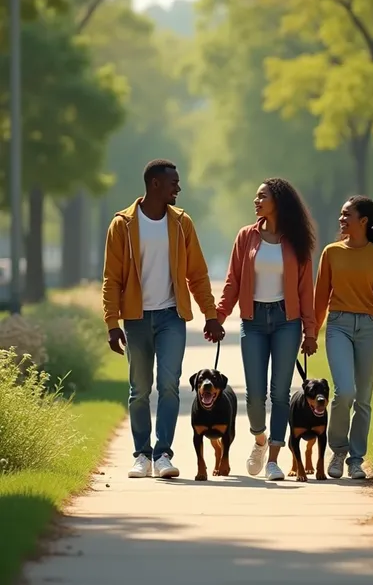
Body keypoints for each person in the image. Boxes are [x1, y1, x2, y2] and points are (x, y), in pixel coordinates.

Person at [102, 159, 224, 479]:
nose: (178, 188)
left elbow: (197, 274)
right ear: (156, 184)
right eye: (174, 183)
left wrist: (210, 315)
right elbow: (112, 279)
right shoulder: (123, 224)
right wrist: (112, 323)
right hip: (136, 318)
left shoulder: (182, 223)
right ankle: (142, 454)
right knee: (139, 389)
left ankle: (163, 454)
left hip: (172, 316)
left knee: (169, 385)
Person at [217, 178, 317, 481]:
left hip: (287, 321)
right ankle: (259, 440)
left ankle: (274, 456)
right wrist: (218, 316)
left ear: (278, 201)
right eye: (256, 197)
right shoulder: (246, 236)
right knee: (255, 394)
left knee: (281, 393)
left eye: (262, 196)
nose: (256, 201)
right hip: (254, 320)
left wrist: (310, 332)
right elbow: (233, 279)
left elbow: (305, 290)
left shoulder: (296, 240)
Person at [313, 195, 373, 480]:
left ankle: (356, 460)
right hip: (338, 325)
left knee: (363, 399)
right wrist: (311, 333)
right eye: (341, 213)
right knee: (344, 391)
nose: (341, 218)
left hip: (370, 329)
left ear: (364, 221)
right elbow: (320, 296)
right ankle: (338, 450)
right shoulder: (331, 252)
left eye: (347, 214)